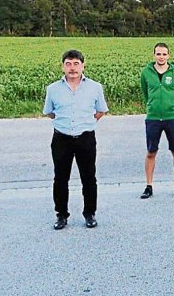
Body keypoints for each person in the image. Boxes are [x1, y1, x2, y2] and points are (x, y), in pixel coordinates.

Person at [43, 50, 108, 230]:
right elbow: (49, 112)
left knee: (88, 178)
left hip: (85, 137)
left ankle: (89, 213)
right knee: (60, 178)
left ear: (83, 66)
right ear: (63, 66)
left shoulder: (95, 87)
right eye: (68, 64)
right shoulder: (53, 89)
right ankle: (61, 215)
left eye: (76, 64)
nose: (72, 68)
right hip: (61, 138)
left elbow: (100, 111)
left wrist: (86, 122)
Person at [139, 42, 174, 199]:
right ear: (154, 55)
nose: (161, 57)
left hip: (172, 117)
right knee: (151, 152)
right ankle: (149, 186)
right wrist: (152, 106)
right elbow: (145, 92)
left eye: (164, 54)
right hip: (153, 117)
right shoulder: (146, 72)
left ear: (169, 55)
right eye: (158, 54)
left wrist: (173, 107)